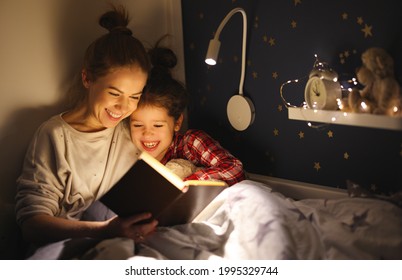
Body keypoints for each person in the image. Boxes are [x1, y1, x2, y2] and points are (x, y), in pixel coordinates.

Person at [15, 6, 158, 253]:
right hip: (68, 246)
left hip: (123, 240)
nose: (123, 107)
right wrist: (103, 230)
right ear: (87, 78)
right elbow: (31, 225)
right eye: (114, 93)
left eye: (134, 96)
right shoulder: (55, 136)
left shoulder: (131, 129)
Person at [130, 46, 246, 186]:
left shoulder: (190, 144)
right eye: (137, 125)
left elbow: (234, 169)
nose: (147, 133)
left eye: (158, 125)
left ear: (177, 122)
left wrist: (188, 184)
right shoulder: (128, 153)